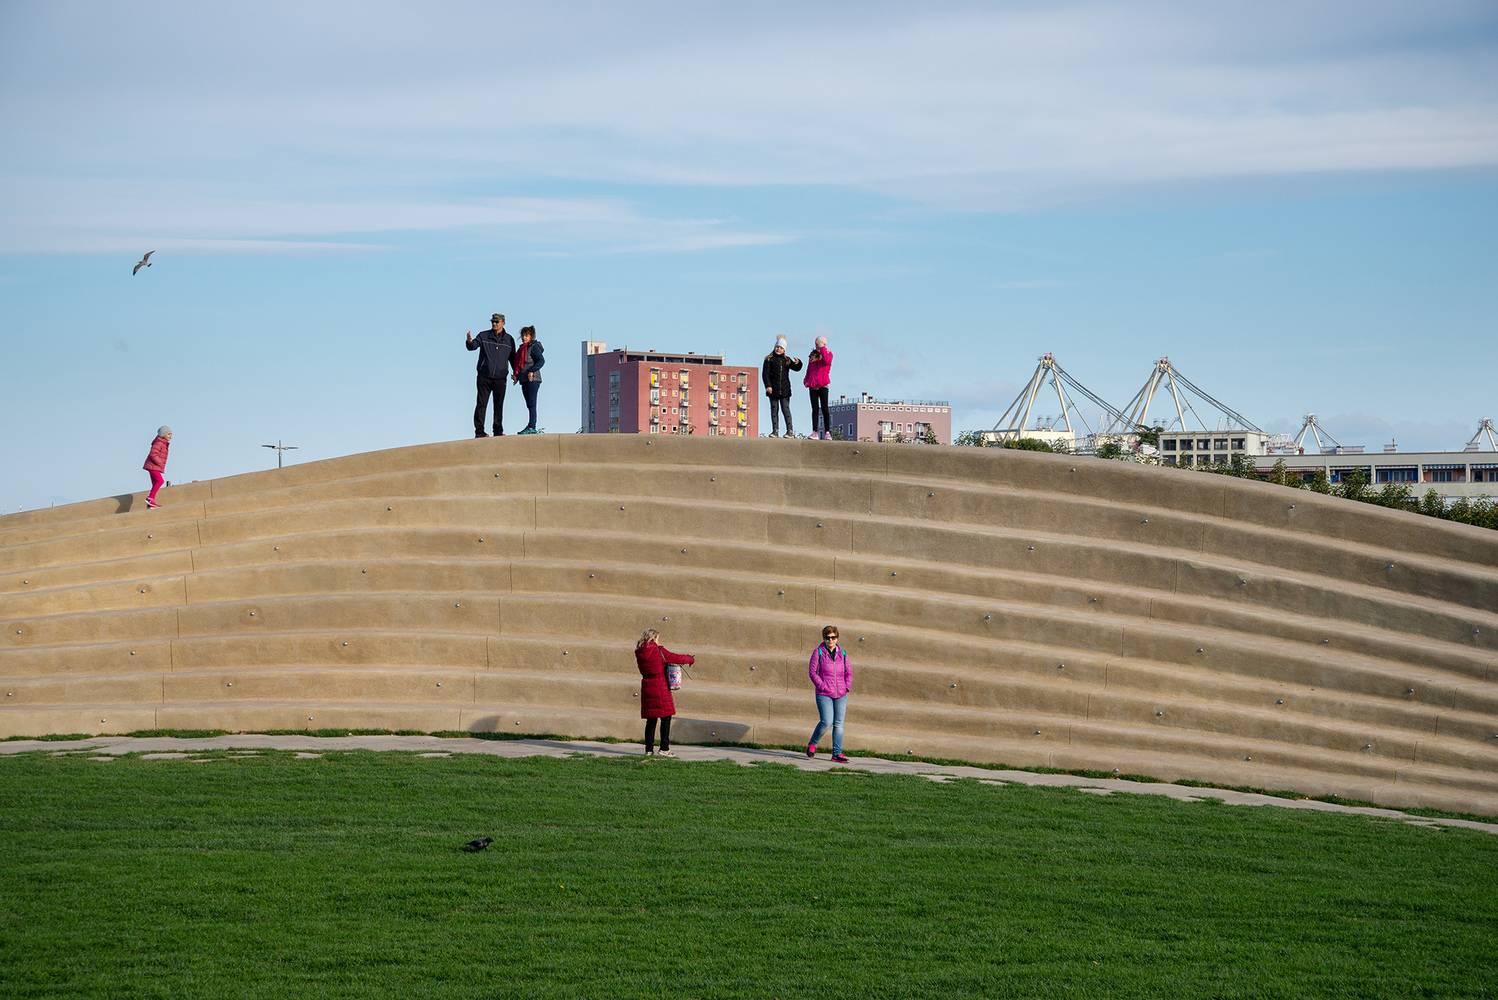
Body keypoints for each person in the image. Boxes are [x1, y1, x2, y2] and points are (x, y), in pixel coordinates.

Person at [636, 628, 695, 757]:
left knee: (651, 720)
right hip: (660, 686)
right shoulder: (659, 651)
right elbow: (676, 658)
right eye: (658, 638)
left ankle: (649, 750)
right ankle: (664, 748)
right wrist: (690, 659)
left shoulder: (639, 652)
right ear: (654, 638)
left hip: (647, 686)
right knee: (666, 717)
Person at [465, 313, 516, 437]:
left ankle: (497, 431)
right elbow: (473, 346)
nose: (494, 323)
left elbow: (512, 358)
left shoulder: (509, 339)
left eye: (497, 322)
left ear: (503, 323)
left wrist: (516, 373)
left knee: (498, 405)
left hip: (500, 378)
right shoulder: (483, 335)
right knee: (481, 404)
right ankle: (479, 431)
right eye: (493, 321)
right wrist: (469, 342)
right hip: (484, 377)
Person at [806, 624, 851, 762]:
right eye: (827, 637)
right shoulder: (818, 653)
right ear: (824, 638)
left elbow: (849, 672)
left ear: (837, 638)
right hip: (824, 693)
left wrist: (846, 687)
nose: (830, 640)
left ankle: (836, 754)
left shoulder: (843, 653)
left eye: (833, 637)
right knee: (826, 721)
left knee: (839, 724)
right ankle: (813, 743)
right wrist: (822, 686)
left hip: (841, 693)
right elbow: (812, 673)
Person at [761, 335, 802, 438]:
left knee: (786, 409)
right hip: (773, 390)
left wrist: (798, 363)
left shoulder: (787, 360)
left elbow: (796, 368)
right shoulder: (769, 359)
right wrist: (768, 386)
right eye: (777, 347)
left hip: (785, 390)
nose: (778, 349)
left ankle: (790, 431)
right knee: (774, 410)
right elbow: (765, 374)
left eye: (781, 348)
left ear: (784, 350)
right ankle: (775, 431)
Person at [511, 325, 545, 435]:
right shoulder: (521, 349)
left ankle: (532, 426)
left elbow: (541, 361)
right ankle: (530, 425)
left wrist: (531, 370)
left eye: (526, 335)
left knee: (532, 402)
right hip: (524, 379)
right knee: (529, 404)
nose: (524, 337)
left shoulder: (533, 347)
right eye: (523, 335)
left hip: (533, 379)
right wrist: (516, 376)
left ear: (531, 336)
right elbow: (519, 365)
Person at [803, 336, 833, 440]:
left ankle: (827, 432)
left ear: (823, 344)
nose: (816, 345)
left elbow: (827, 361)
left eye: (818, 343)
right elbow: (809, 369)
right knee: (814, 409)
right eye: (816, 343)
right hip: (813, 386)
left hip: (823, 385)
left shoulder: (828, 353)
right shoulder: (812, 355)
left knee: (825, 408)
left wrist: (822, 348)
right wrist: (806, 380)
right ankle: (814, 432)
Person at [142, 426, 172, 510]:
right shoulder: (159, 443)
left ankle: (151, 504)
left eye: (171, 434)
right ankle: (150, 498)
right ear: (163, 434)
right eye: (169, 434)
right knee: (160, 481)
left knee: (155, 483)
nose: (170, 436)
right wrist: (160, 462)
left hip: (153, 466)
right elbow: (153, 454)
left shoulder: (163, 443)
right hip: (153, 466)